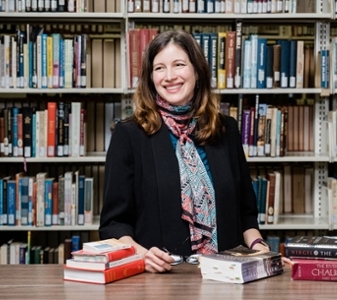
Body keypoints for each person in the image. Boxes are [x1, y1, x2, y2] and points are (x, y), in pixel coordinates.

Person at [99, 29, 281, 273]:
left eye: (179, 64)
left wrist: (259, 246)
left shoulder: (225, 129)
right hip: (159, 280)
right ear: (150, 77)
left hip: (226, 277)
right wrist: (143, 255)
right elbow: (113, 223)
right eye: (159, 68)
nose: (169, 76)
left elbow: (245, 214)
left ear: (197, 71)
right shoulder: (130, 135)